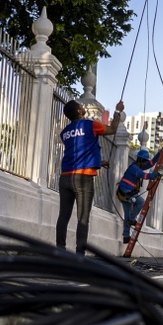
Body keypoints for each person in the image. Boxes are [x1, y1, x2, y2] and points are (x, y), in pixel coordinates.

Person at [55, 99, 124, 255]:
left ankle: (59, 251)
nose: (83, 106)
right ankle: (80, 255)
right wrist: (118, 111)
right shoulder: (90, 124)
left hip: (65, 177)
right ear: (79, 111)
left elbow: (78, 151)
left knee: (63, 216)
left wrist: (98, 162)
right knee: (83, 218)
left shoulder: (64, 133)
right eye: (80, 105)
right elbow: (112, 129)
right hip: (83, 179)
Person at [116, 148, 162, 244]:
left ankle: (126, 235)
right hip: (125, 194)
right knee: (139, 204)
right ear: (141, 160)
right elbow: (145, 176)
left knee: (129, 213)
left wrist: (159, 153)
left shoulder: (138, 166)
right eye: (144, 161)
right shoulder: (135, 169)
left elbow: (151, 163)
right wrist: (156, 175)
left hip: (128, 193)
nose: (146, 163)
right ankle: (130, 223)